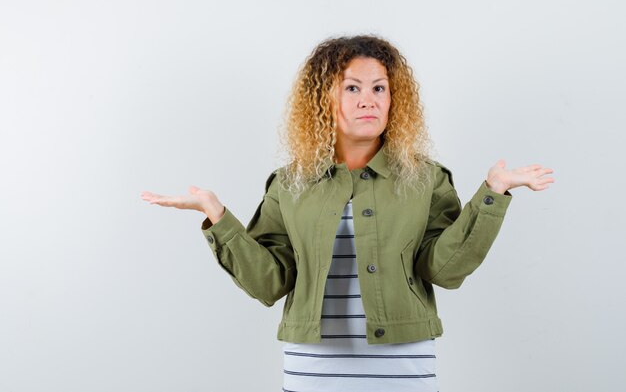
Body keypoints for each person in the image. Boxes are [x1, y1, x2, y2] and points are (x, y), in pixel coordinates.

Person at [141, 35, 554, 392]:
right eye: (352, 88)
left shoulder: (425, 178)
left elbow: (444, 270)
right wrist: (217, 216)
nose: (368, 101)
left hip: (403, 366)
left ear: (395, 98)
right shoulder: (290, 184)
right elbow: (270, 283)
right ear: (325, 98)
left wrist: (493, 193)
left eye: (379, 88)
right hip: (313, 368)